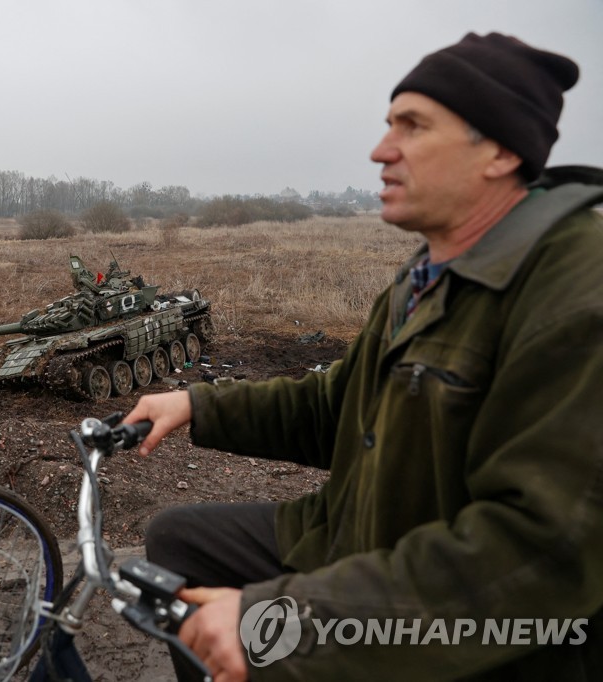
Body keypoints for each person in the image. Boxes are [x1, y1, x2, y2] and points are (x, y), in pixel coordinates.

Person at [125, 32, 603, 682]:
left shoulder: (576, 292)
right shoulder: (430, 273)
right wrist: (196, 404)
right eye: (387, 125)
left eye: (413, 126)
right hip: (359, 532)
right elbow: (336, 405)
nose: (381, 151)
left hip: (489, 625)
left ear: (501, 150)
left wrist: (289, 621)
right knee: (179, 540)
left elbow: (539, 551)